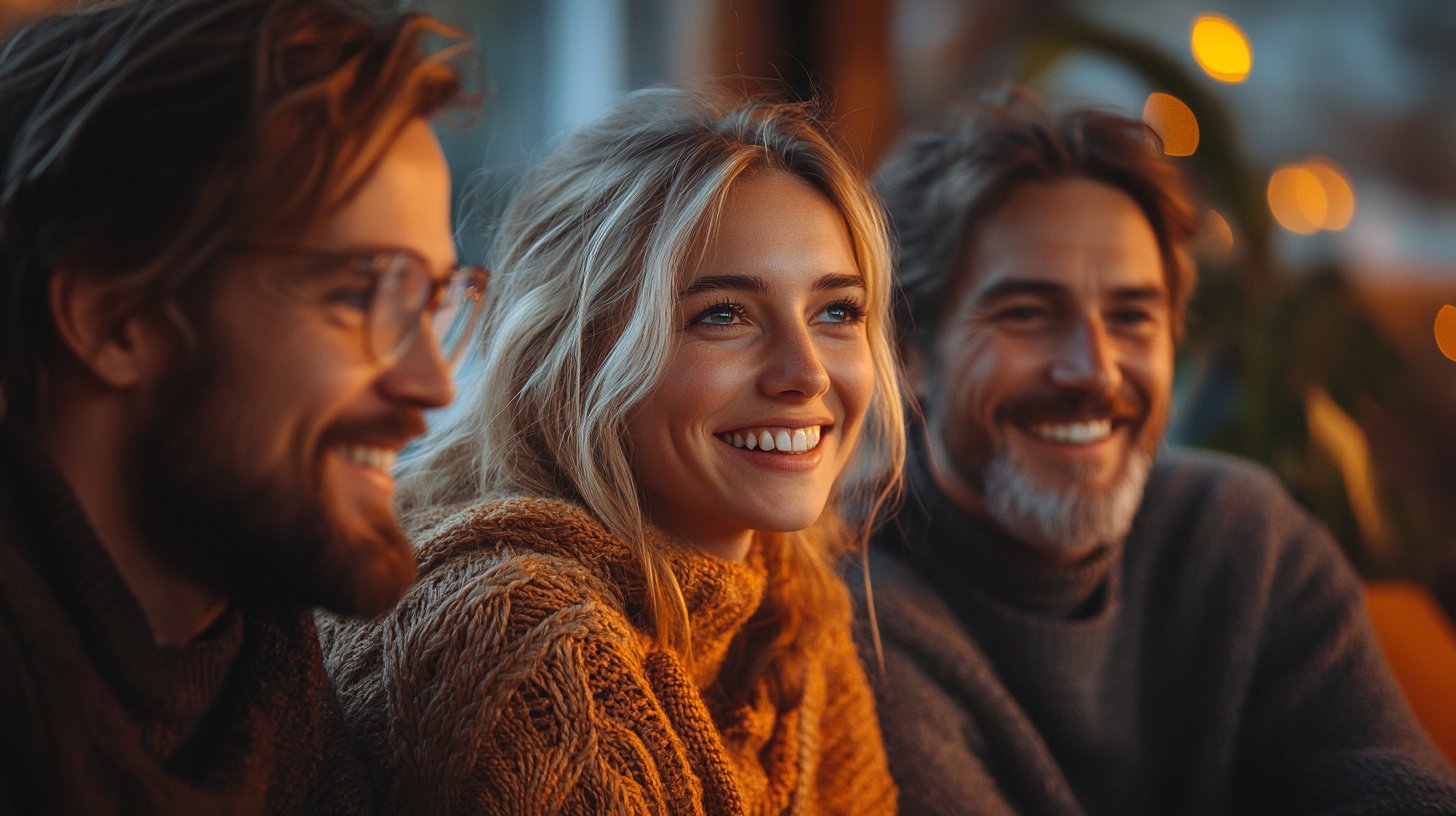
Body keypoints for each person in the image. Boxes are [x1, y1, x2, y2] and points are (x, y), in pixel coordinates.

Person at [863, 90, 1456, 815]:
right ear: (908, 352)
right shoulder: (858, 615)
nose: (1096, 370)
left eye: (1132, 316)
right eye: (1027, 314)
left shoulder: (1244, 537)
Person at [322, 86, 905, 814]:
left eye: (837, 311)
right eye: (722, 315)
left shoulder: (785, 602)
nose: (807, 371)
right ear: (572, 351)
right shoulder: (517, 632)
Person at [0, 1, 487, 812]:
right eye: (362, 296)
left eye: (433, 303)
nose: (433, 386)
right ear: (110, 318)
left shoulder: (277, 703)